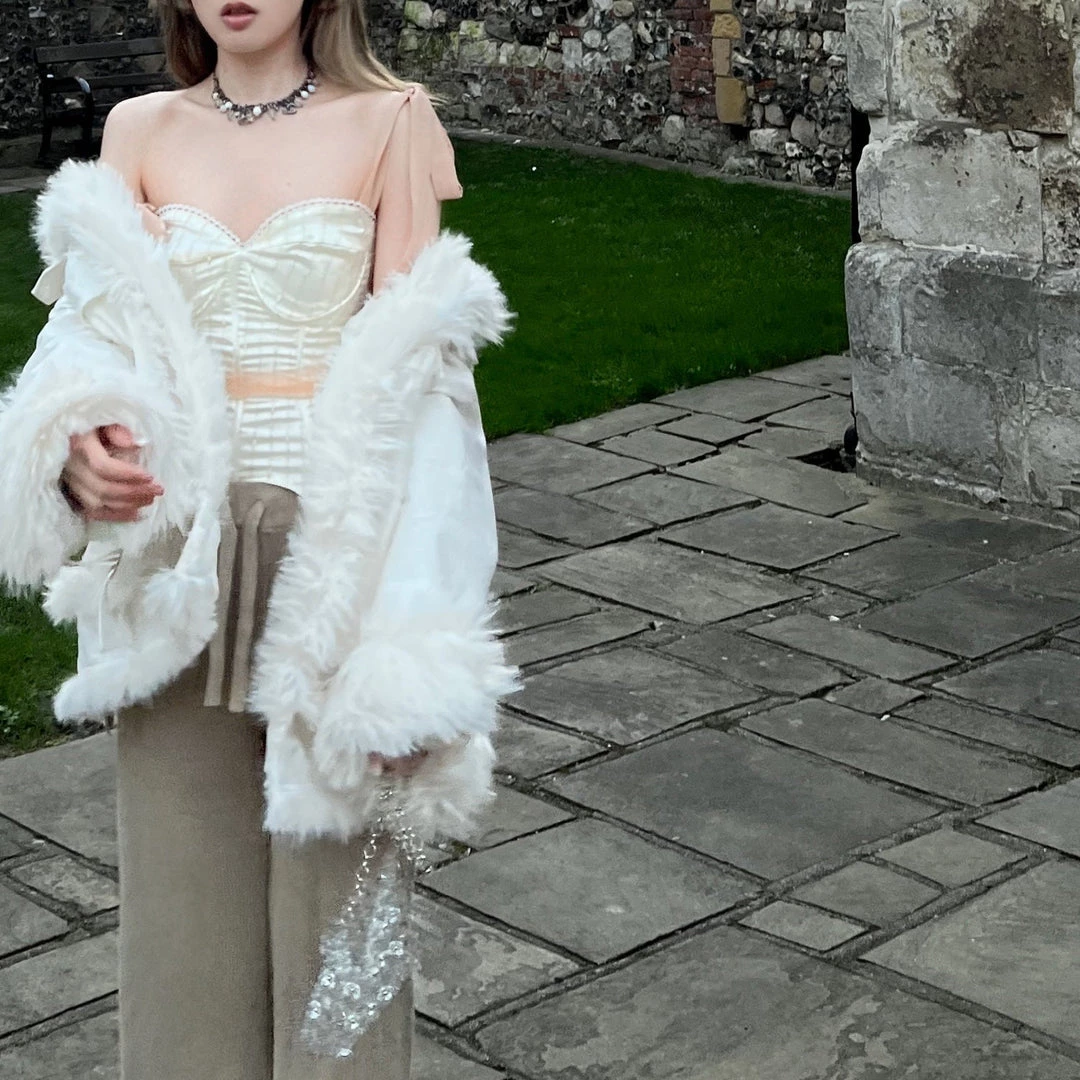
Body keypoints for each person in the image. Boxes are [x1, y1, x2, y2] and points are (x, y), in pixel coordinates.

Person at [0, 1, 517, 1077]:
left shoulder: (389, 120)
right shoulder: (139, 128)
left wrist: (408, 649)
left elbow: (427, 386)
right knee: (181, 914)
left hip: (337, 564)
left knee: (338, 933)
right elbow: (87, 331)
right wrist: (70, 440)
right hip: (173, 560)